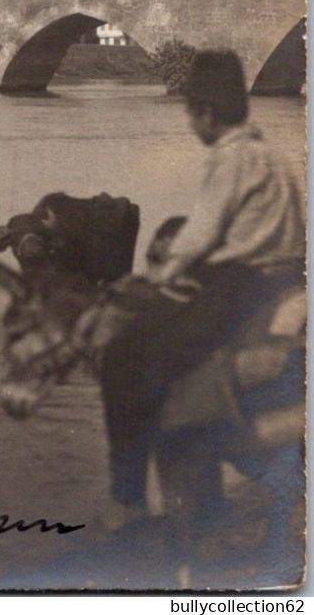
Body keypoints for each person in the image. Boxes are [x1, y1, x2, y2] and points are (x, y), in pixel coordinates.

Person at [97, 50, 305, 524]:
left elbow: (201, 234)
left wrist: (155, 277)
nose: (192, 128)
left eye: (192, 117)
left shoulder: (229, 156)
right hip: (289, 276)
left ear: (206, 114)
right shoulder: (272, 155)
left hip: (241, 282)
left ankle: (126, 498)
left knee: (124, 354)